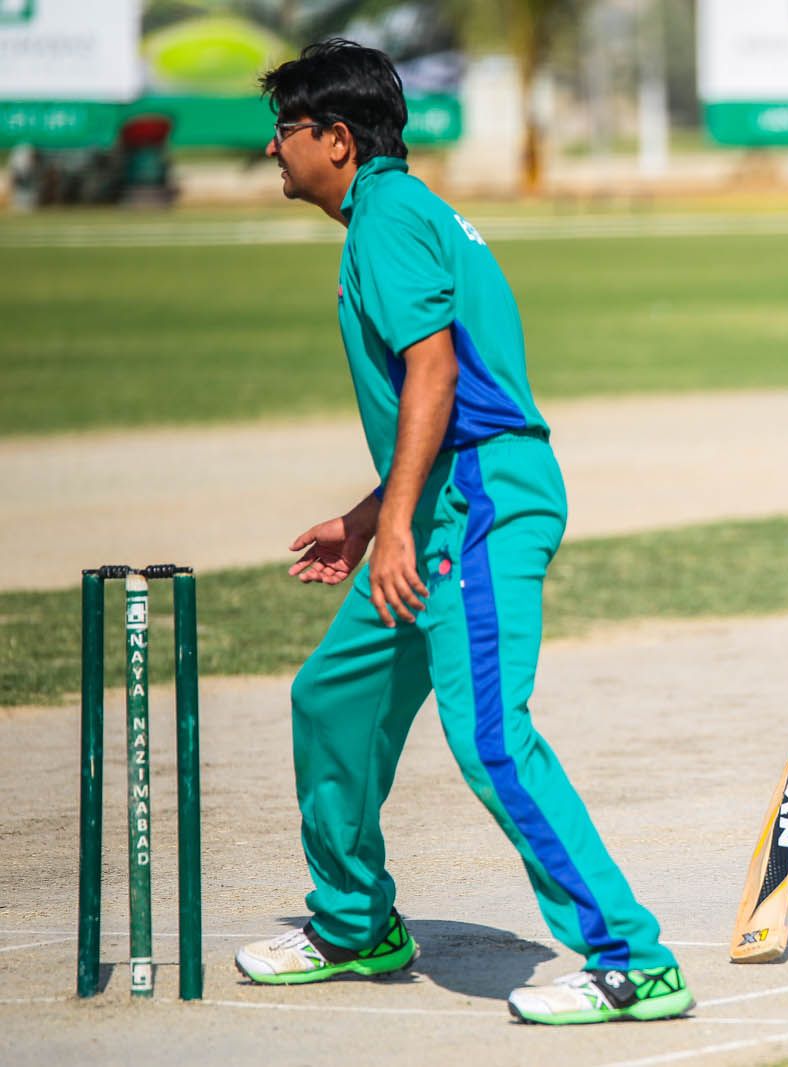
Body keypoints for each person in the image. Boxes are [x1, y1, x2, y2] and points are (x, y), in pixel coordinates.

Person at [232, 40, 693, 1024]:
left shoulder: (388, 219)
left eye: (284, 130)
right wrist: (370, 519)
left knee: (489, 736)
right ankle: (354, 922)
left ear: (337, 140)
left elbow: (437, 372)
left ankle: (633, 957)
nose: (273, 149)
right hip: (442, 498)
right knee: (332, 699)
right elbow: (441, 393)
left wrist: (396, 521)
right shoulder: (399, 211)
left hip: (478, 504)